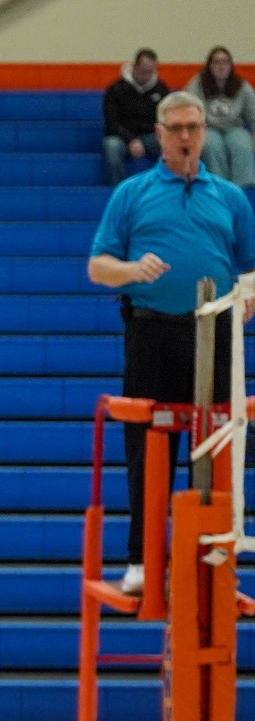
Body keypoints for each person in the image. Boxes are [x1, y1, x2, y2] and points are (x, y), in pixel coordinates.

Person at [89, 89, 255, 594]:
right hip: (152, 332)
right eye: (176, 129)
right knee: (148, 447)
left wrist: (248, 296)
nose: (186, 137)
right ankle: (141, 558)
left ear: (205, 132)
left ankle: (214, 555)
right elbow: (98, 266)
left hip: (216, 335)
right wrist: (132, 269)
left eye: (194, 128)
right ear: (159, 135)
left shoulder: (230, 198)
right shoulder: (132, 194)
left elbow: (249, 269)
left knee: (219, 446)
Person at [190, 46, 255, 187]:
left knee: (242, 145)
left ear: (230, 65)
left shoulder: (241, 86)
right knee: (212, 145)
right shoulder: (197, 84)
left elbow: (253, 113)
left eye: (225, 62)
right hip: (208, 127)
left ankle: (243, 189)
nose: (221, 66)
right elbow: (189, 108)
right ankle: (219, 186)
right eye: (216, 62)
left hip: (234, 127)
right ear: (209, 65)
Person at [104, 49, 169, 186]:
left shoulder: (161, 90)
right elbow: (111, 123)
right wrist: (131, 140)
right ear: (135, 67)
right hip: (122, 136)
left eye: (150, 71)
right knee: (111, 146)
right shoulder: (116, 89)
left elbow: (166, 120)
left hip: (151, 135)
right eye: (143, 71)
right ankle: (118, 190)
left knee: (170, 143)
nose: (146, 76)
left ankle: (167, 186)